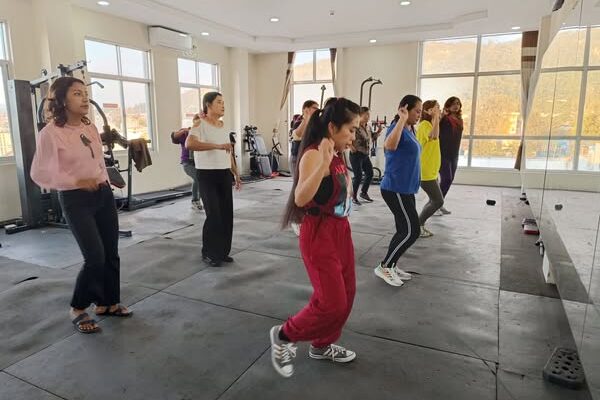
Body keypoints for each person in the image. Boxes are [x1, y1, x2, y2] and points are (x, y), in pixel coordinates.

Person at [31, 77, 132, 334]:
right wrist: (75, 181)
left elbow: (97, 160)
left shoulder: (89, 127)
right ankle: (77, 307)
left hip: (102, 194)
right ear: (62, 100)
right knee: (95, 257)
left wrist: (105, 180)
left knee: (111, 253)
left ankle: (107, 303)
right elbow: (40, 173)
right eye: (77, 93)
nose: (85, 98)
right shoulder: (50, 133)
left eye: (85, 93)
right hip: (75, 199)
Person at [270, 98, 361, 378]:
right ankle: (284, 335)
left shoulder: (335, 151)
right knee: (331, 302)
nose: (353, 136)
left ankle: (322, 345)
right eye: (351, 129)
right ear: (332, 127)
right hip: (319, 234)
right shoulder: (314, 154)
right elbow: (300, 197)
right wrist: (322, 163)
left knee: (348, 294)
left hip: (340, 231)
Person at [185, 92, 242, 267]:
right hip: (207, 174)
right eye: (219, 102)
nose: (223, 105)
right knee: (214, 214)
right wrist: (217, 146)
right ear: (208, 105)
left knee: (226, 214)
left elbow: (229, 152)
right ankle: (209, 253)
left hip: (224, 173)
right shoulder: (199, 124)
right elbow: (190, 144)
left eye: (223, 102)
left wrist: (236, 174)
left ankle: (222, 252)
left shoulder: (224, 126)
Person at [374, 95, 422, 287]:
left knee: (403, 229)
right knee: (412, 231)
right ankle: (385, 266)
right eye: (416, 111)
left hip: (406, 188)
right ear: (405, 109)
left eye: (420, 111)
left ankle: (391, 264)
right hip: (395, 188)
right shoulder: (397, 126)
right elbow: (389, 146)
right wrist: (402, 119)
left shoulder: (411, 129)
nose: (419, 115)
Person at [416, 100, 443, 237]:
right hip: (425, 171)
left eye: (439, 107)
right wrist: (436, 118)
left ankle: (418, 225)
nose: (439, 110)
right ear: (427, 111)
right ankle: (418, 226)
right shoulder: (424, 125)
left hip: (431, 171)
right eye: (436, 108)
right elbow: (433, 136)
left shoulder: (430, 124)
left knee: (433, 200)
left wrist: (436, 119)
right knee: (438, 201)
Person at [349, 106, 382, 205]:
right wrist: (350, 146)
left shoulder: (368, 127)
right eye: (366, 114)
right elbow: (348, 136)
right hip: (356, 154)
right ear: (360, 115)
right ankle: (353, 196)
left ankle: (363, 193)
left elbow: (372, 137)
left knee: (370, 173)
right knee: (358, 176)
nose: (368, 117)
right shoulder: (355, 126)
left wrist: (379, 131)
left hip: (364, 154)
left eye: (369, 115)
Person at [438, 96, 464, 215]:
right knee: (446, 179)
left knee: (450, 179)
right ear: (448, 105)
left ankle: (439, 203)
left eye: (458, 103)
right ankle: (435, 203)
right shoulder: (445, 118)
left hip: (454, 154)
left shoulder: (460, 119)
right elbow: (435, 127)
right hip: (443, 153)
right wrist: (442, 116)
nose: (456, 106)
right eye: (453, 103)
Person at [172, 114, 203, 211]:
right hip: (187, 163)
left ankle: (200, 200)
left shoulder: (202, 134)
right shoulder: (186, 133)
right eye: (197, 122)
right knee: (198, 178)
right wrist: (184, 131)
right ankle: (195, 201)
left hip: (199, 162)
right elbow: (174, 137)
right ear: (194, 122)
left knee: (199, 179)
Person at [290, 100, 319, 176]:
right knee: (298, 181)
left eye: (317, 108)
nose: (317, 110)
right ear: (306, 109)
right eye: (314, 108)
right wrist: (306, 118)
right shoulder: (298, 121)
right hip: (297, 157)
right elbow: (297, 135)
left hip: (308, 156)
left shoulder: (314, 123)